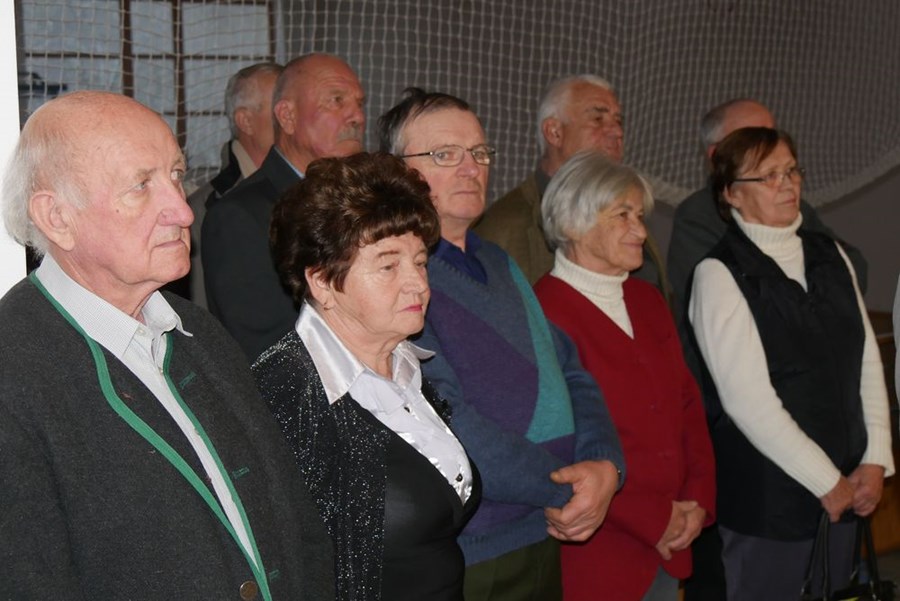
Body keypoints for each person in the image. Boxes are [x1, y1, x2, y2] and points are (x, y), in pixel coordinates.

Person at [0, 91, 333, 600]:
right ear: (57, 218)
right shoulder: (13, 370)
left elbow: (295, 519)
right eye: (141, 186)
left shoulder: (200, 333)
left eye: (176, 175)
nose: (181, 210)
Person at [379, 87, 625, 601]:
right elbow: (449, 419)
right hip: (477, 546)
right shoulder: (400, 280)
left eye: (479, 152)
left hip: (542, 529)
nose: (471, 168)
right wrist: (569, 485)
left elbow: (569, 369)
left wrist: (604, 463)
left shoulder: (499, 262)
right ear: (397, 172)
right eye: (445, 154)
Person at [251, 152, 481, 601]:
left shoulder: (407, 364)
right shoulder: (285, 395)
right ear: (322, 281)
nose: (418, 284)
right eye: (389, 265)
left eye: (420, 262)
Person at [668, 100, 870, 601]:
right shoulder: (717, 269)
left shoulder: (828, 253)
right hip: (771, 491)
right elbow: (748, 401)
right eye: (768, 175)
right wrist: (827, 480)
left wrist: (875, 460)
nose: (787, 184)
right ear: (730, 191)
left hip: (845, 478)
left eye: (791, 170)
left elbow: (864, 360)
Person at [534, 152, 716, 601]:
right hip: (600, 554)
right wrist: (655, 519)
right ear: (574, 223)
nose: (641, 231)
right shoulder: (541, 312)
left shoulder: (648, 300)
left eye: (640, 215)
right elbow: (559, 452)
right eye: (622, 215)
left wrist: (696, 504)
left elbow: (687, 406)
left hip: (673, 539)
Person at [202, 53, 365, 360]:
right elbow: (270, 353)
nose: (356, 116)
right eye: (337, 100)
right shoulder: (240, 217)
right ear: (287, 116)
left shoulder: (365, 202)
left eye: (359, 103)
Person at [475, 74, 667, 295]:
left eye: (618, 121)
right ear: (554, 132)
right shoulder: (505, 229)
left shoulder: (634, 215)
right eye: (598, 119)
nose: (617, 132)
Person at [187, 61, 283, 308]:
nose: (291, 116)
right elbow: (202, 312)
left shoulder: (311, 190)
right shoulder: (203, 210)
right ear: (246, 121)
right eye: (280, 106)